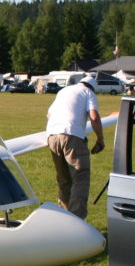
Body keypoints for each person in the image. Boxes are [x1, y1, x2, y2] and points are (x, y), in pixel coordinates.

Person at [45, 75, 105, 218]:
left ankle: (64, 218)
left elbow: (49, 114)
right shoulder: (88, 92)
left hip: (52, 135)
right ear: (92, 87)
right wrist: (100, 139)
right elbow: (94, 116)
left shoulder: (64, 91)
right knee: (81, 177)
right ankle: (77, 219)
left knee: (64, 179)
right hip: (72, 135)